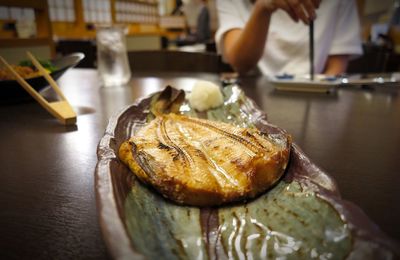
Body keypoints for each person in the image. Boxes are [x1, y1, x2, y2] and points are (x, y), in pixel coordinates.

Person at [215, 0, 363, 76]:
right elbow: (240, 63)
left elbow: (336, 67)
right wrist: (263, 8)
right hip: (251, 103)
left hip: (318, 100)